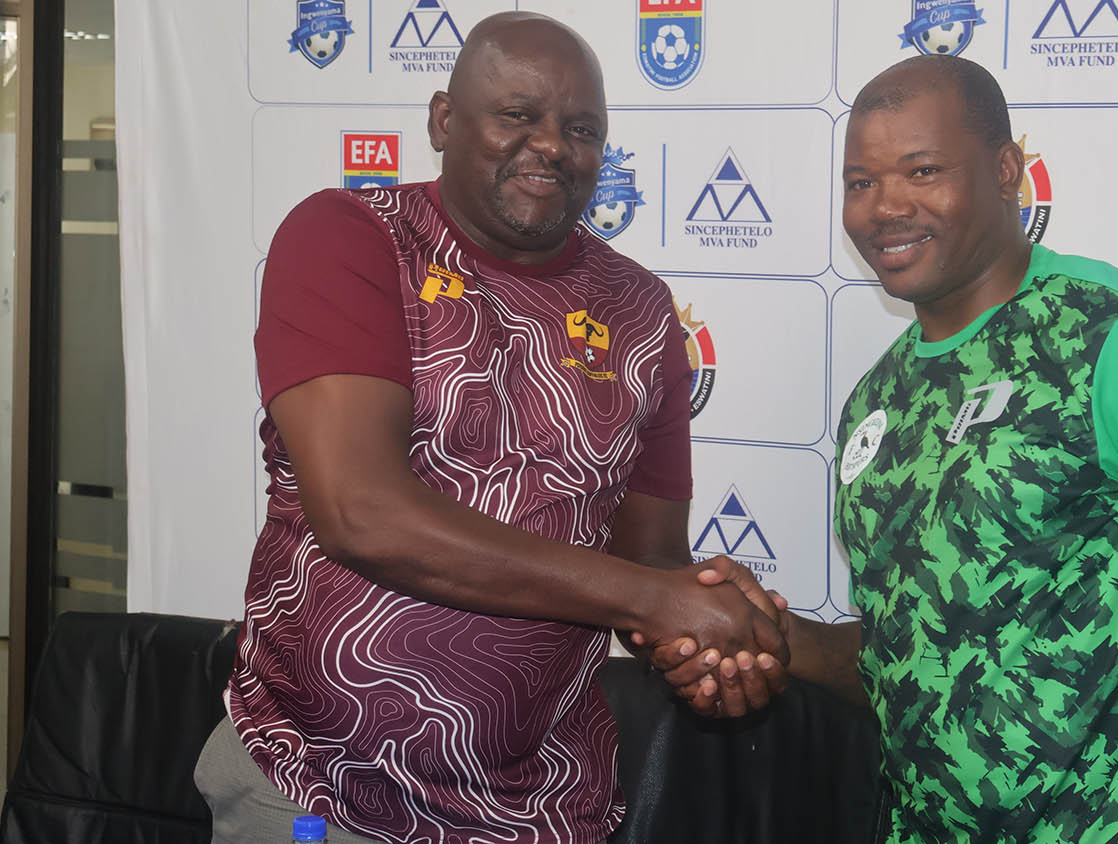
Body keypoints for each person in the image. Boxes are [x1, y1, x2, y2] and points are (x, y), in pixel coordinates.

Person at [652, 56, 1118, 844]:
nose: (886, 207)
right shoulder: (879, 399)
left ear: (1007, 170)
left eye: (923, 170)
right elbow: (912, 657)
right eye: (860, 182)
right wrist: (776, 636)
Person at [194, 13, 785, 844]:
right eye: (518, 115)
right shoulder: (352, 239)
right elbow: (362, 512)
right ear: (444, 119)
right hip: (318, 786)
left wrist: (699, 649)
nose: (551, 144)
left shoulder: (644, 314)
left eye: (581, 129)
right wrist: (657, 599)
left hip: (547, 807)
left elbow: (650, 559)